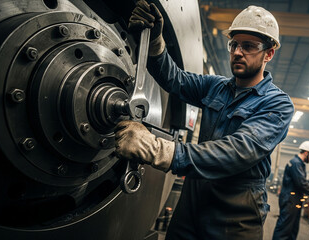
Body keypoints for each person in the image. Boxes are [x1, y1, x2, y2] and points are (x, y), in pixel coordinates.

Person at [115, 1, 294, 239]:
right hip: (193, 200)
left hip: (235, 213)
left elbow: (237, 151)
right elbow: (174, 79)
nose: (238, 52)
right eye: (234, 44)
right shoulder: (216, 86)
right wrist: (156, 41)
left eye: (248, 46)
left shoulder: (277, 104)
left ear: (268, 53)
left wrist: (158, 149)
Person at [272, 141, 309, 240]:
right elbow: (301, 184)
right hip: (290, 200)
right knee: (284, 229)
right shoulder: (296, 164)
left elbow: (301, 181)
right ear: (306, 152)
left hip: (294, 200)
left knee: (293, 229)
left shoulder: (298, 164)